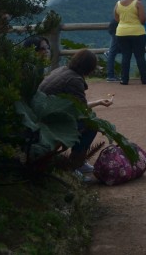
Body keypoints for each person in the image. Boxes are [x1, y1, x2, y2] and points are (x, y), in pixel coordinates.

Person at [39, 48, 114, 176]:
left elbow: (77, 106)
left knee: (87, 122)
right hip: (48, 120)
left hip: (41, 113)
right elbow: (82, 111)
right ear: (89, 68)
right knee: (90, 125)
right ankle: (74, 166)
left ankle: (77, 164)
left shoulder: (62, 70)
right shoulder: (75, 80)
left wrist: (99, 102)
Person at [114, 0, 146, 85]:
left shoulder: (118, 4)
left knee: (125, 56)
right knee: (140, 56)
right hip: (137, 32)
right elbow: (143, 20)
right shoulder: (137, 3)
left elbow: (116, 18)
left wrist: (124, 23)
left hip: (121, 32)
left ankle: (124, 79)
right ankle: (144, 79)